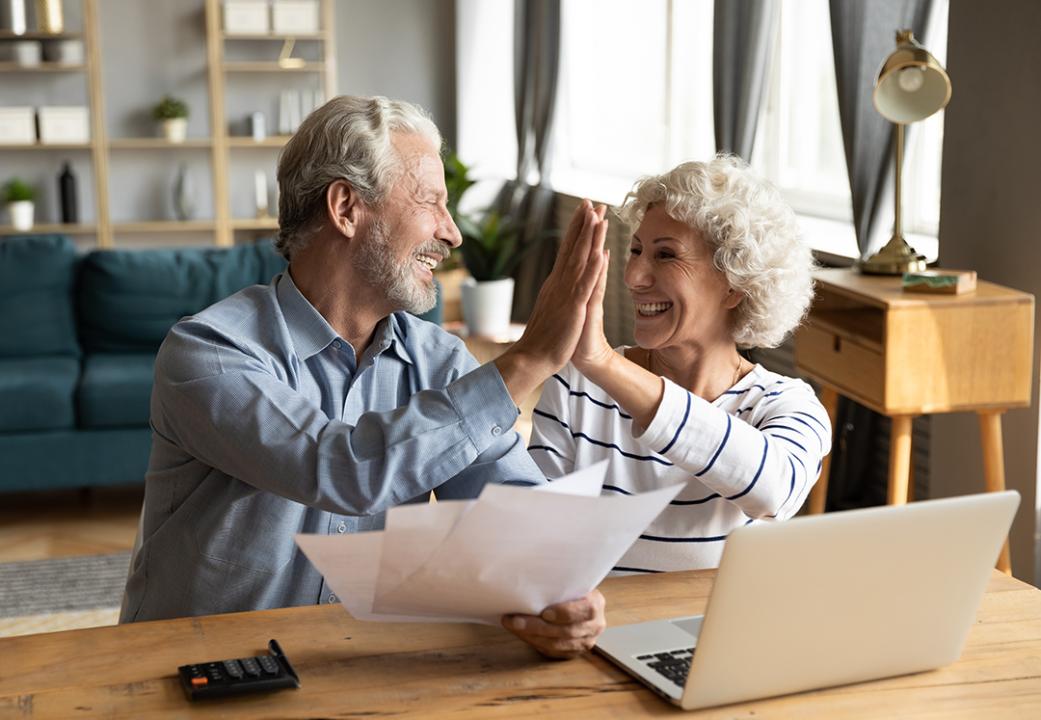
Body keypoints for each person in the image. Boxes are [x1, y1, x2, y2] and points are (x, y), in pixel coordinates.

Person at [120, 95, 610, 659]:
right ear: (346, 207)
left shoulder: (439, 361)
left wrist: (558, 587)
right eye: (431, 202)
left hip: (349, 665)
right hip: (194, 670)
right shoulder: (208, 352)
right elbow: (340, 469)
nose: (451, 234)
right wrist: (527, 361)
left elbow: (510, 506)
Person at [528, 155, 831, 573]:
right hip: (598, 630)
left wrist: (604, 364)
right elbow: (536, 539)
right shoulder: (578, 384)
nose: (634, 276)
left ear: (735, 285)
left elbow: (775, 491)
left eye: (666, 255)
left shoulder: (786, 405)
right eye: (635, 250)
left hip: (721, 634)